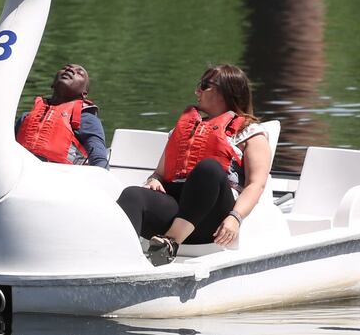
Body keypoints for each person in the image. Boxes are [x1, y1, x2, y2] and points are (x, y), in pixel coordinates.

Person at [116, 64, 271, 266]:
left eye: (204, 85)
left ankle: (170, 243)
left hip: (213, 220)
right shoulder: (183, 130)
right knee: (132, 194)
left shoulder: (250, 133)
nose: (197, 91)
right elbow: (159, 173)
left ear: (226, 91)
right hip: (177, 208)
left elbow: (256, 184)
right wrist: (154, 179)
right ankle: (118, 261)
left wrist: (235, 217)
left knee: (209, 168)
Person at [0, 63, 109, 169]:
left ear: (84, 94)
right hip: (16, 172)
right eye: (65, 68)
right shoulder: (27, 117)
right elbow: (2, 145)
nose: (70, 70)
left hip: (59, 179)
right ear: (53, 83)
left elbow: (99, 159)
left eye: (79, 73)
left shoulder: (86, 119)